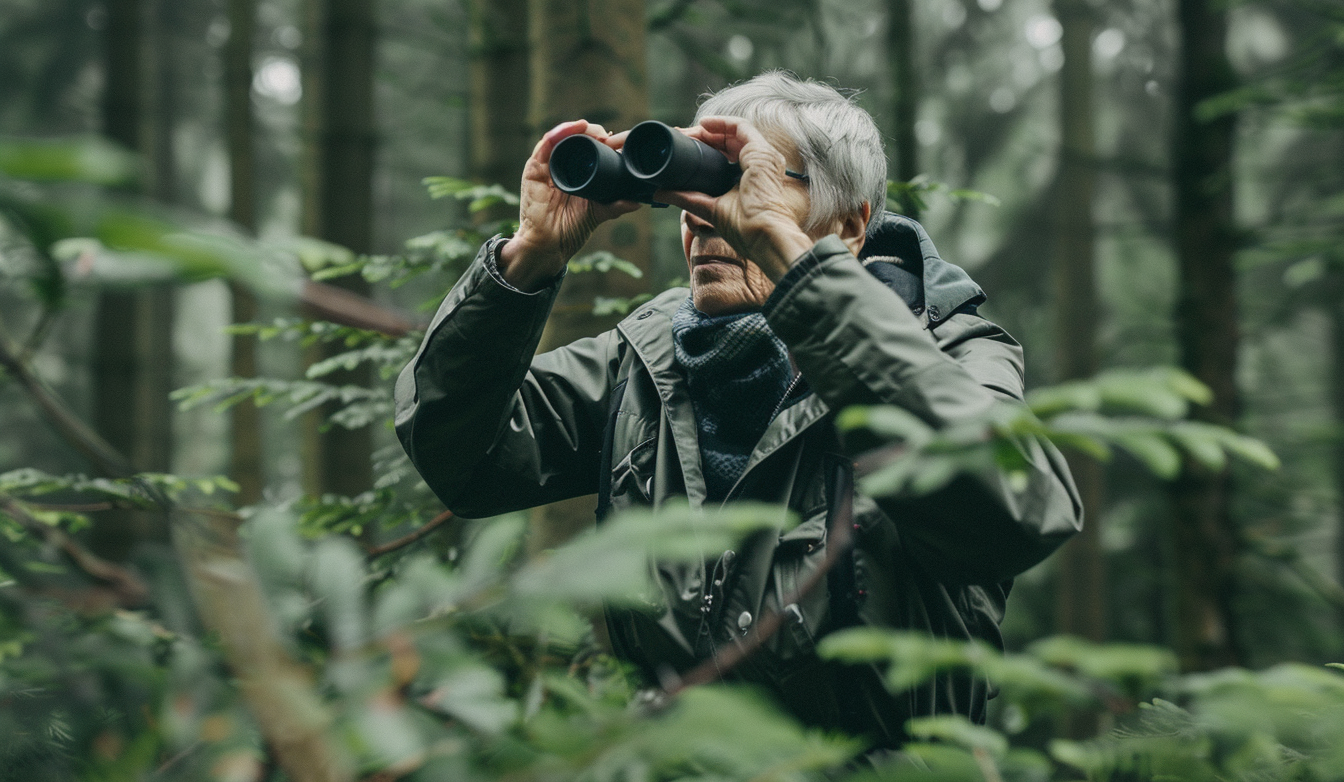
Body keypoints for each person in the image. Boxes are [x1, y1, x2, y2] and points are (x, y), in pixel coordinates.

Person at [394, 71, 1081, 747]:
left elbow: (1017, 514)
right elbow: (465, 456)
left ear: (847, 226)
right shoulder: (648, 358)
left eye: (742, 182)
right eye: (694, 187)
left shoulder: (948, 349)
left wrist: (793, 265)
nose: (703, 213)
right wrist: (529, 255)